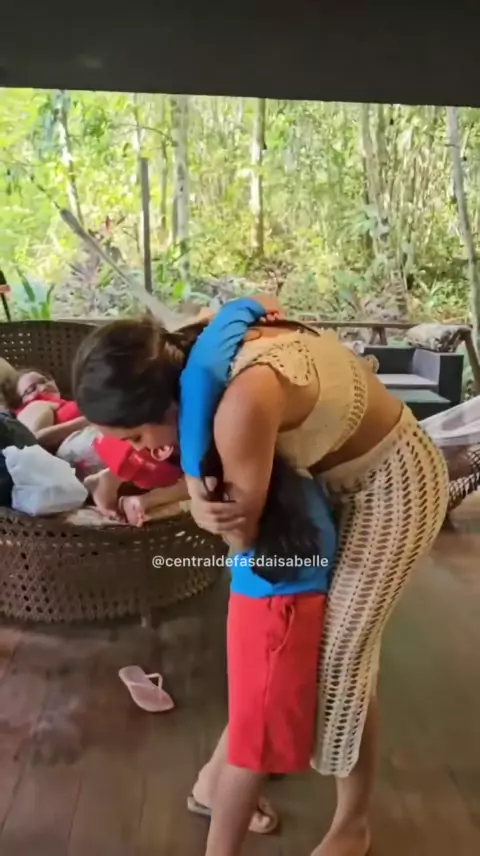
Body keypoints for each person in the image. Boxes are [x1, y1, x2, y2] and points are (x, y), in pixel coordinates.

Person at [72, 297, 449, 856]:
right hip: (330, 482)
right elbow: (255, 312)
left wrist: (197, 498)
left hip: (394, 487)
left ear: (163, 404)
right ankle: (218, 781)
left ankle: (352, 823)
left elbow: (243, 535)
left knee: (340, 662)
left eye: (134, 438)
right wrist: (148, 486)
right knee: (284, 680)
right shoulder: (187, 354)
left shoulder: (241, 405)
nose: (143, 451)